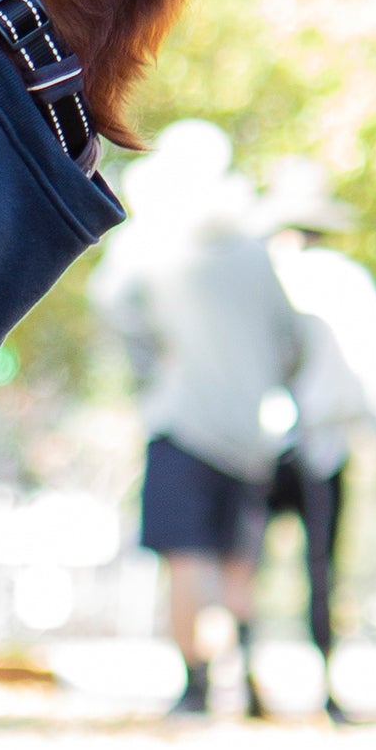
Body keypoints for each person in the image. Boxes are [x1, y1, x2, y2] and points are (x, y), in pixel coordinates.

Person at [92, 121, 305, 716]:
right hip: (249, 432)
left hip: (182, 421)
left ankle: (198, 685)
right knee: (239, 561)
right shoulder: (253, 252)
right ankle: (252, 681)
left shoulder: (147, 242)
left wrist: (153, 367)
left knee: (189, 559)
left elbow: (113, 309)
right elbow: (293, 342)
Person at [258, 159, 376, 723]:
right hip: (324, 444)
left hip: (260, 440)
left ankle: (241, 677)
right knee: (322, 569)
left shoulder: (257, 276)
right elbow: (370, 371)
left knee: (248, 563)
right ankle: (328, 691)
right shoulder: (349, 280)